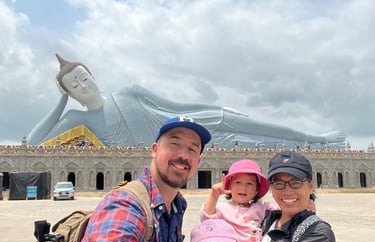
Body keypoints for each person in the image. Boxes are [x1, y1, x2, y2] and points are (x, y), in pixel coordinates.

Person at [27, 54, 346, 148]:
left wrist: (217, 110)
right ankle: (317, 149)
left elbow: (175, 106)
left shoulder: (129, 91)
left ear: (93, 75)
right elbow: (35, 143)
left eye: (84, 77)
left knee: (248, 123)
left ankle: (316, 138)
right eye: (73, 86)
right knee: (253, 144)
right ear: (69, 92)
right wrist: (59, 102)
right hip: (175, 148)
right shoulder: (79, 121)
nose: (82, 86)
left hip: (186, 123)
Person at [66, 115, 211, 242]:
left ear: (198, 161)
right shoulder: (126, 207)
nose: (182, 155)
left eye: (192, 149)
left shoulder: (175, 205)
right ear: (154, 150)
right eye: (174, 143)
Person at [200, 159, 277, 242]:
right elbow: (206, 219)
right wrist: (214, 195)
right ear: (229, 186)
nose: (243, 188)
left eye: (249, 184)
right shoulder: (222, 209)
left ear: (256, 190)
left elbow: (284, 212)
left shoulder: (261, 208)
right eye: (238, 182)